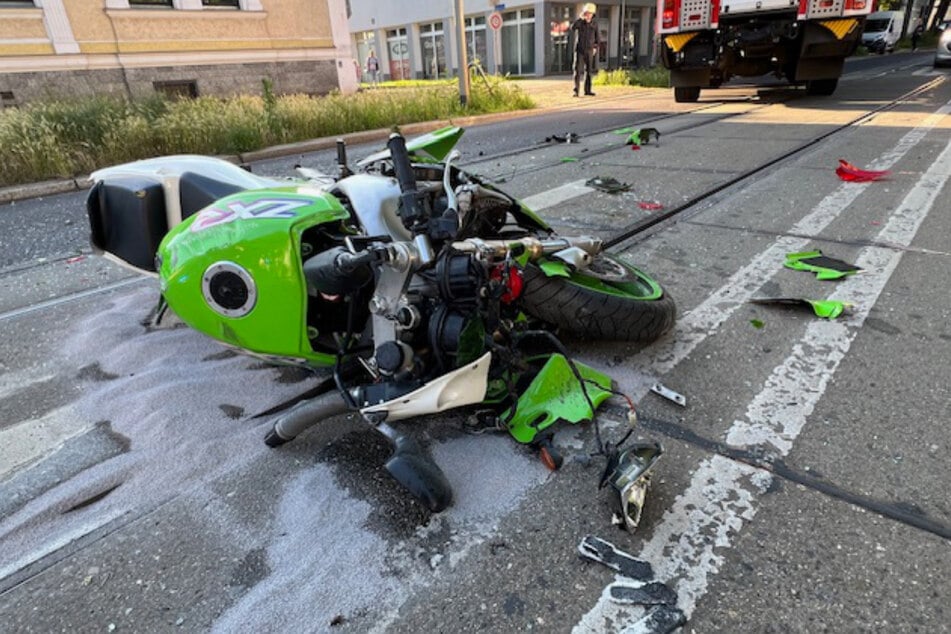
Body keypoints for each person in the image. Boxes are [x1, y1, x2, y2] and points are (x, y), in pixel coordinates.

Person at [571, 3, 601, 97]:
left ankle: (588, 90)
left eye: (590, 13)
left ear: (593, 15)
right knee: (577, 70)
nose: (588, 15)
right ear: (584, 13)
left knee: (589, 71)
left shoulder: (594, 24)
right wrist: (580, 19)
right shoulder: (580, 23)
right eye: (587, 13)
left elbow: (598, 37)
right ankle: (576, 91)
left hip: (590, 50)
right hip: (580, 50)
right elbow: (573, 27)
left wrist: (595, 47)